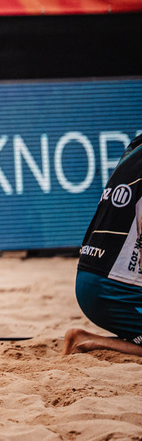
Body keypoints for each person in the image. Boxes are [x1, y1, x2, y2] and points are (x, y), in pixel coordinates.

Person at [64, 133, 142, 357]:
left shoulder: (135, 149)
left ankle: (85, 340)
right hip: (112, 288)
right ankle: (85, 341)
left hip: (93, 277)